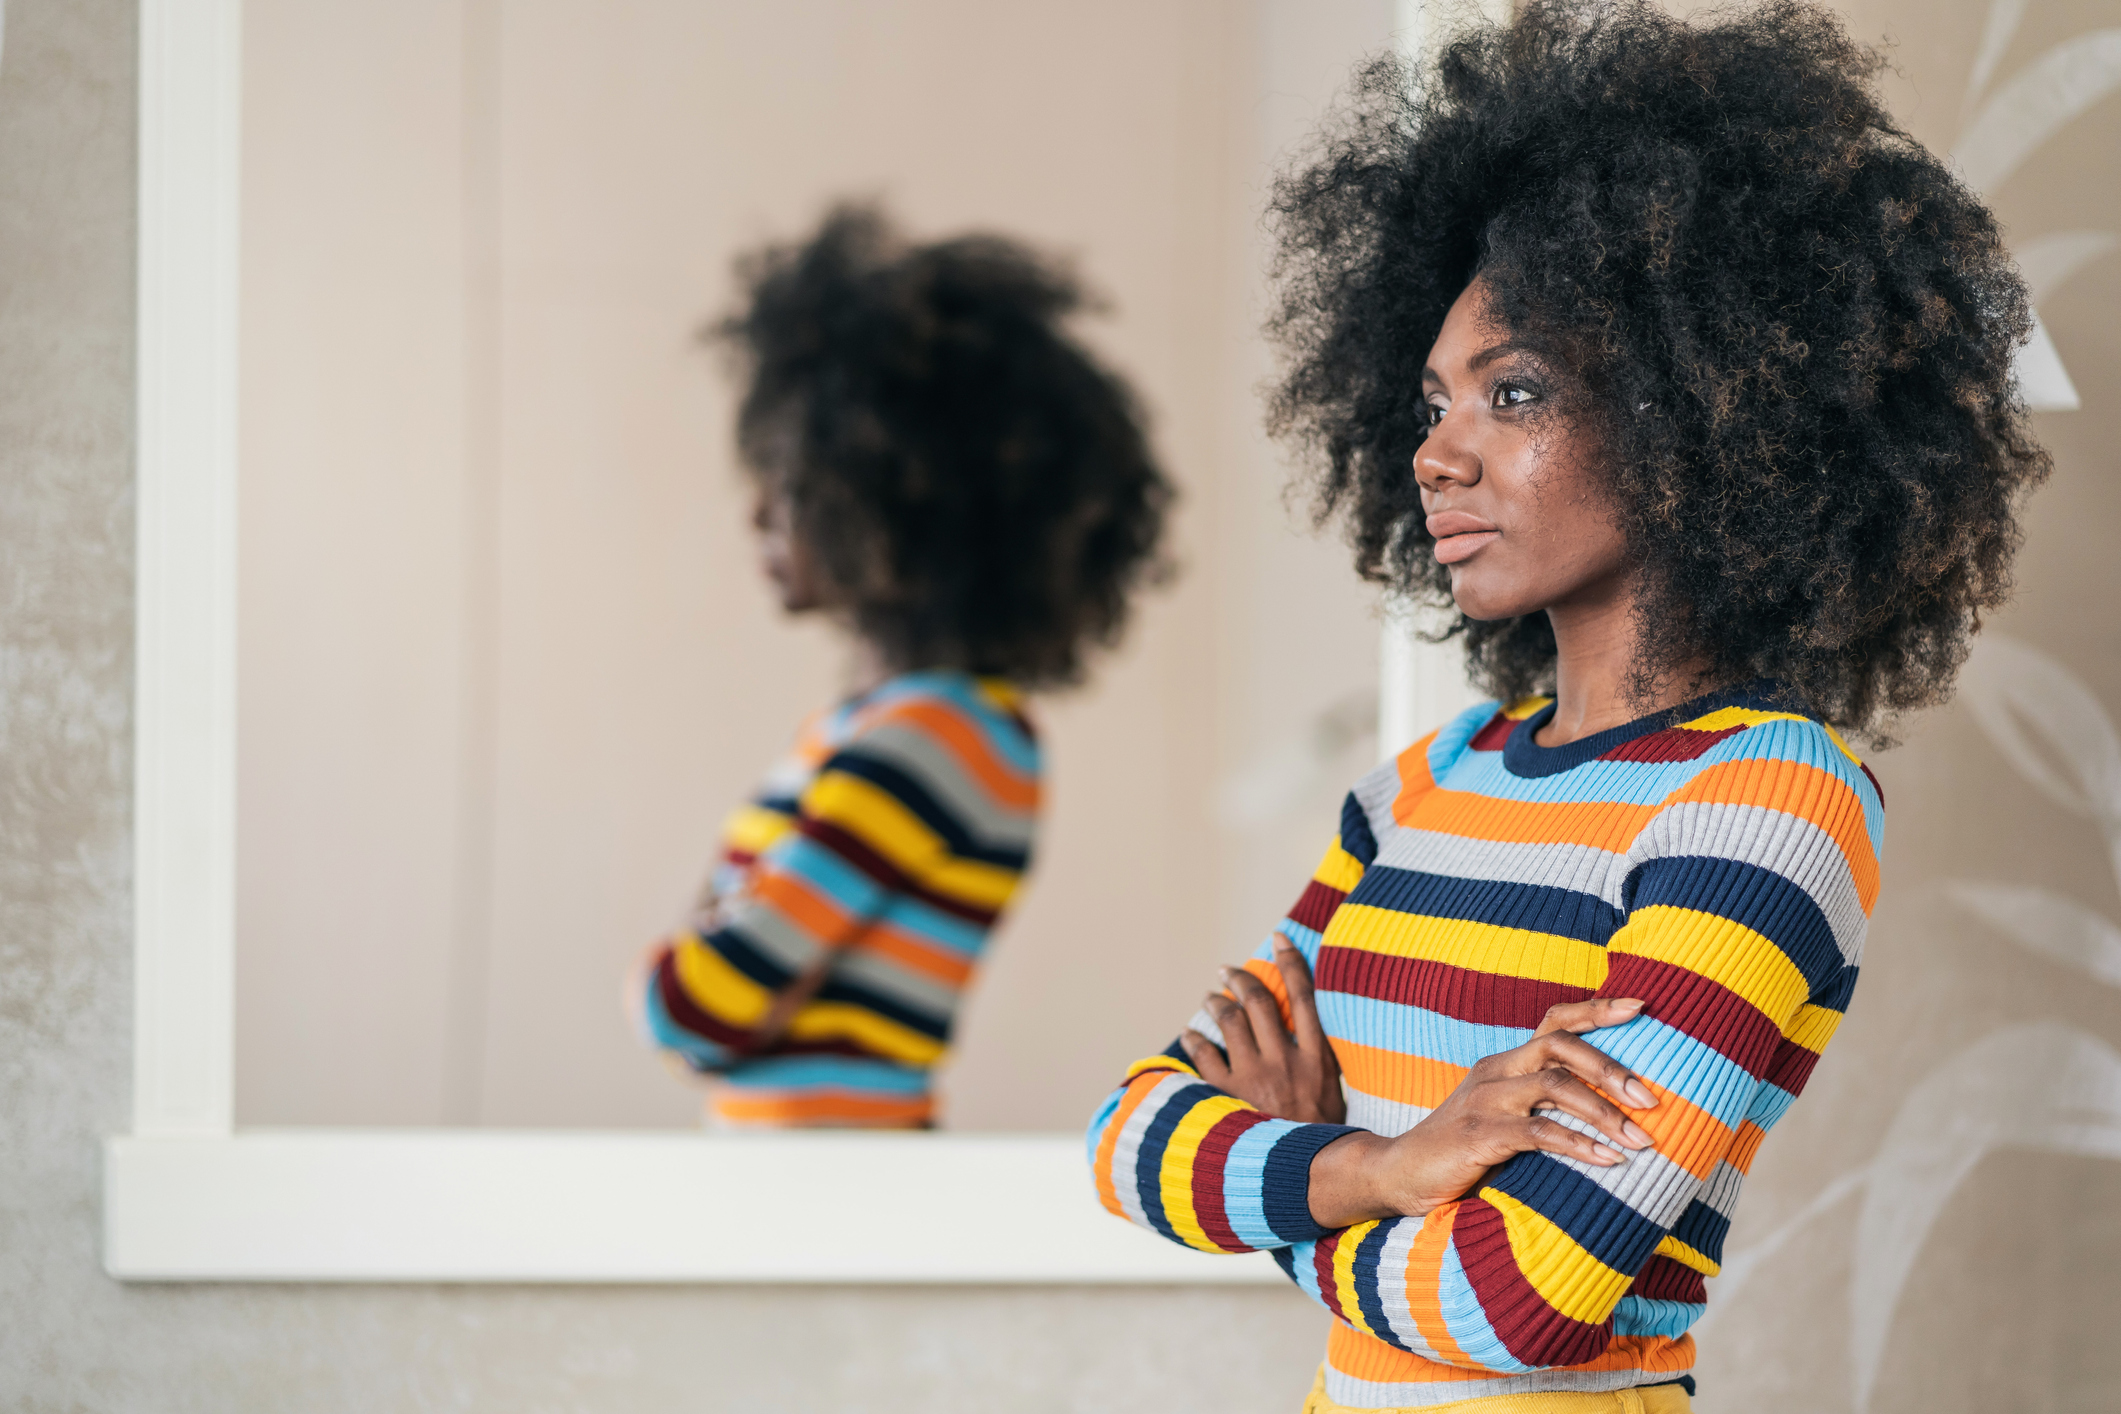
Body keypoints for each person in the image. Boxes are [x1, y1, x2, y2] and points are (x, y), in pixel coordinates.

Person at [1087, 2, 2046, 1409]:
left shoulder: (1772, 802)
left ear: (1699, 407)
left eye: (1512, 392)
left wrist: (1290, 1187)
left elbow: (1514, 1297)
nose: (1437, 454)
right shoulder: (1425, 782)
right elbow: (1127, 1136)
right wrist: (1384, 1168)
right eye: (1427, 404)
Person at [636, 205, 1169, 1128]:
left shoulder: (938, 738)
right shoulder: (892, 730)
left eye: (793, 479)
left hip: (839, 1194)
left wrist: (667, 978)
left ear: (900, 499)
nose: (758, 512)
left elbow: (699, 1008)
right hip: (813, 1182)